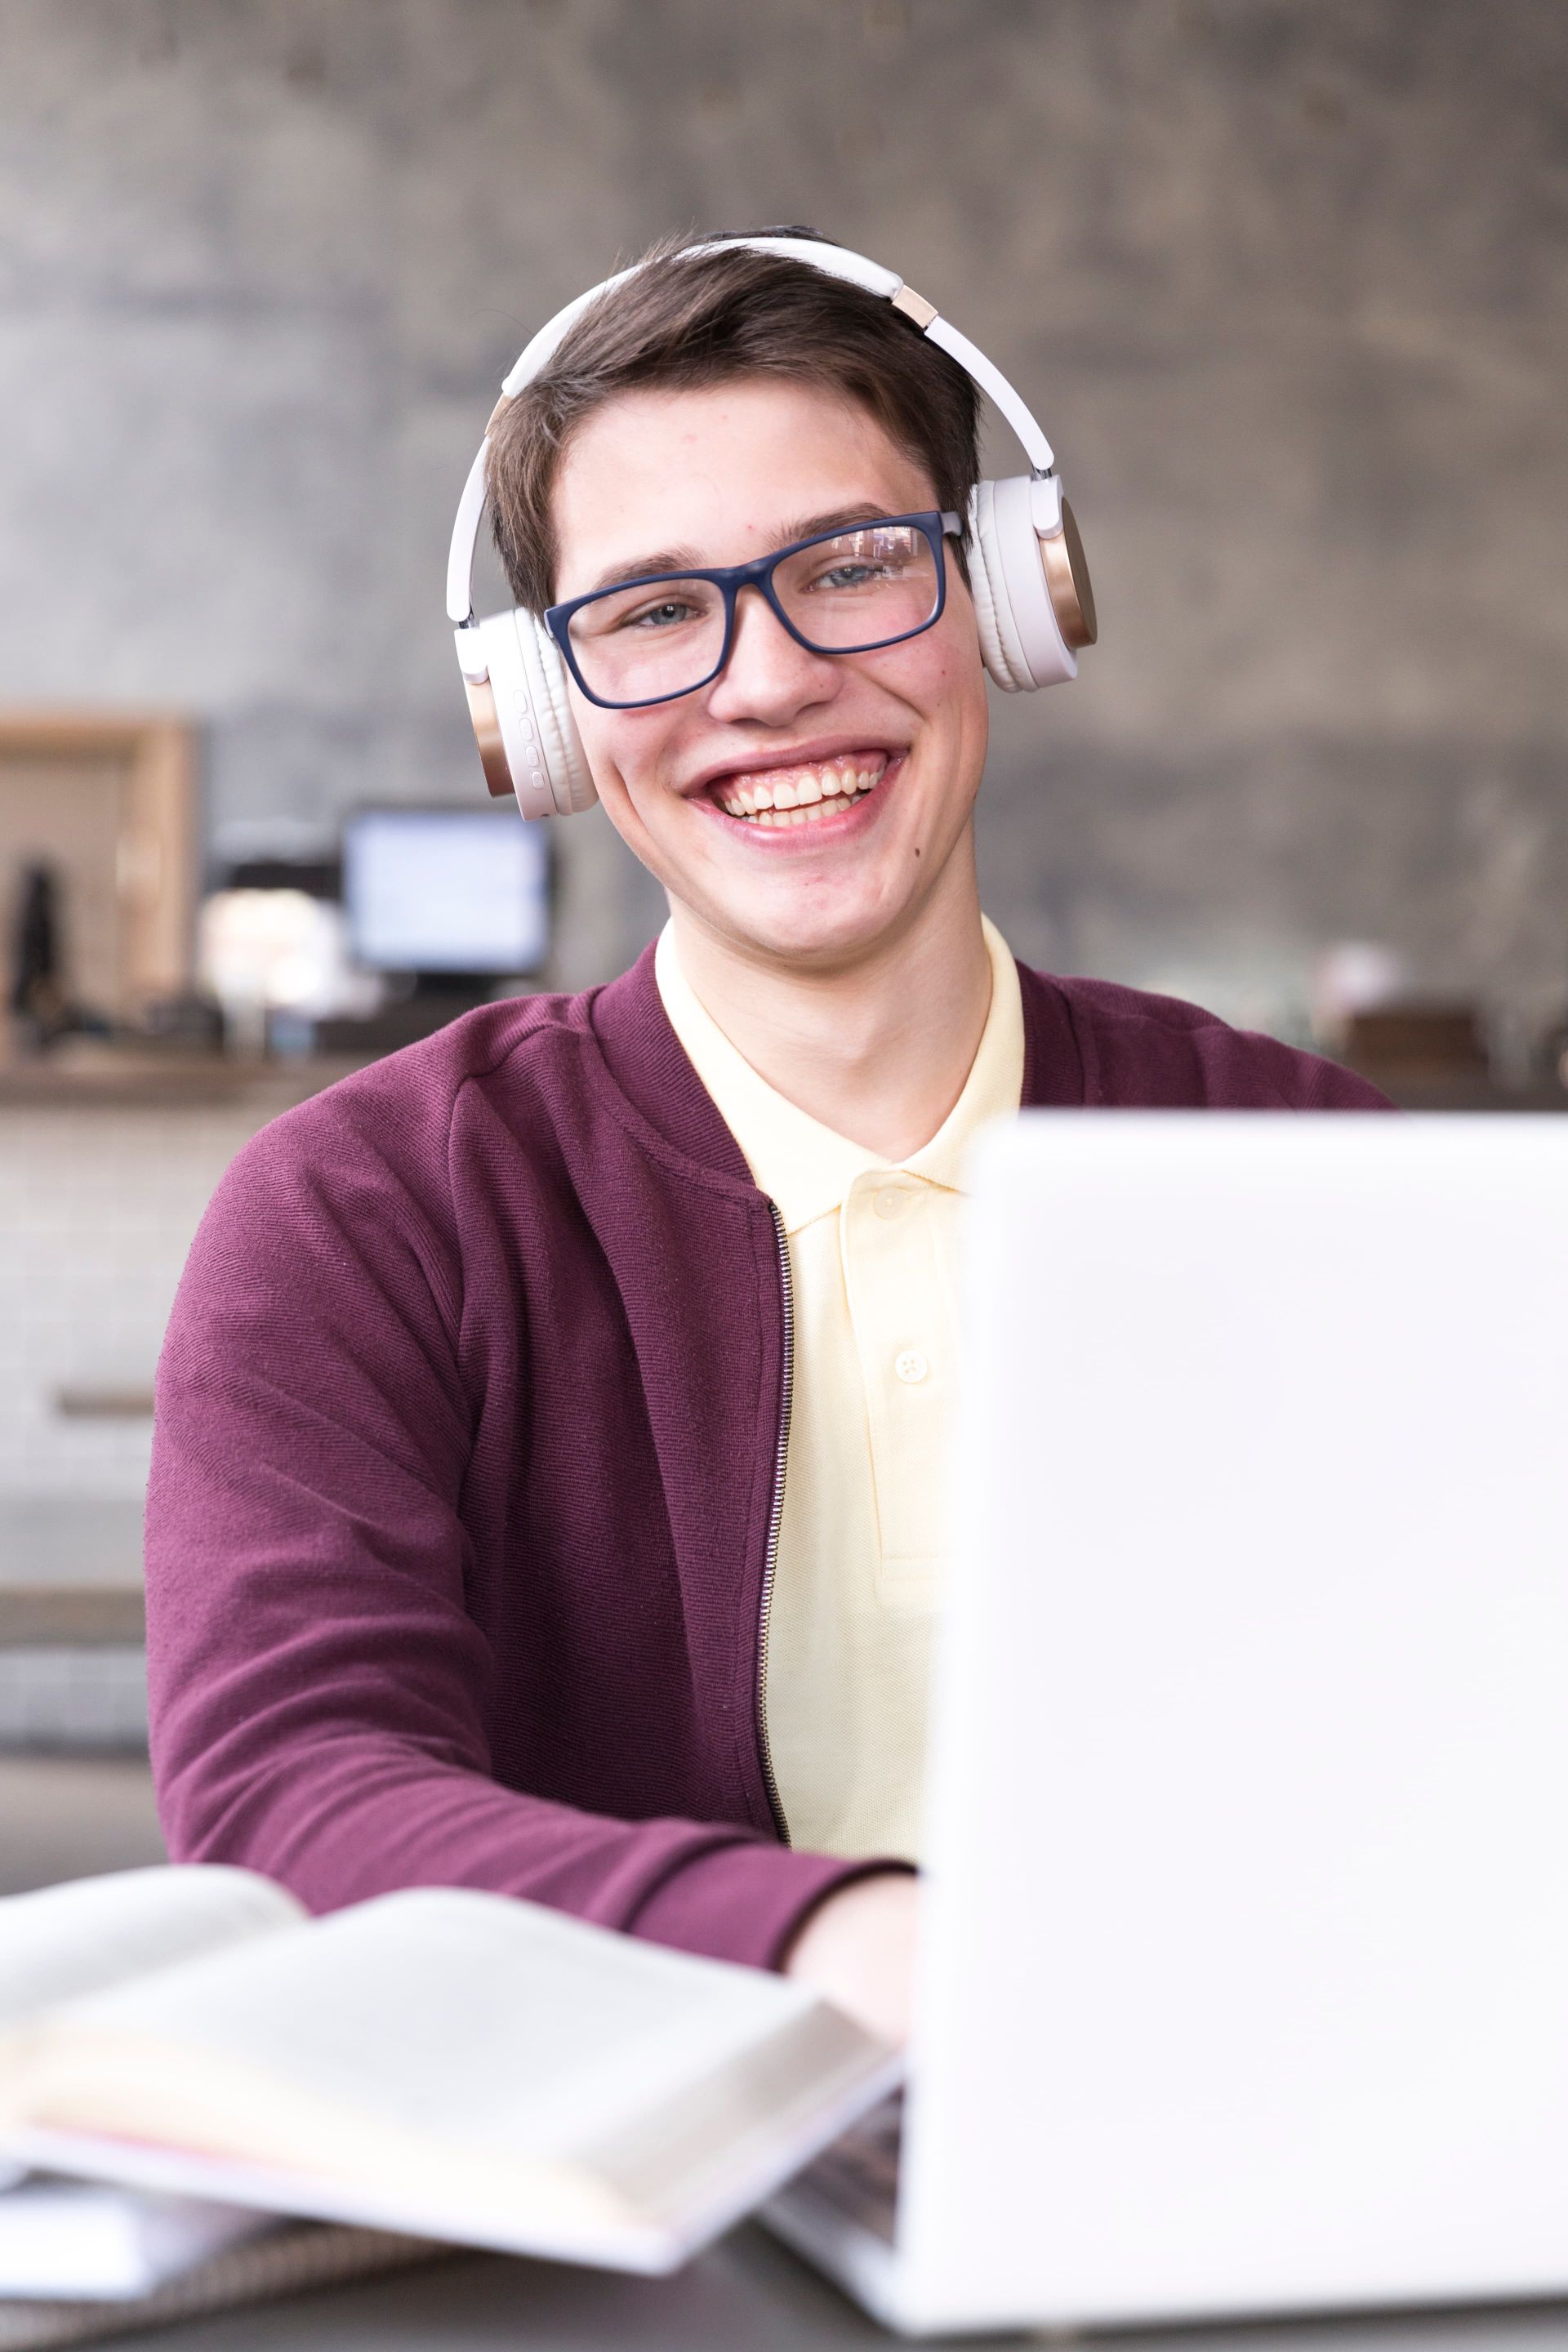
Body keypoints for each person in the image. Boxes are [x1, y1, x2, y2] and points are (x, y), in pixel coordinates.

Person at [145, 229, 1388, 2047]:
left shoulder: (1310, 1172)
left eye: (854, 567)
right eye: (655, 611)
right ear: (548, 713)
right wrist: (844, 1946)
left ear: (1004, 602)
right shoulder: (367, 1211)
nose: (768, 681)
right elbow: (292, 1796)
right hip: (635, 2250)